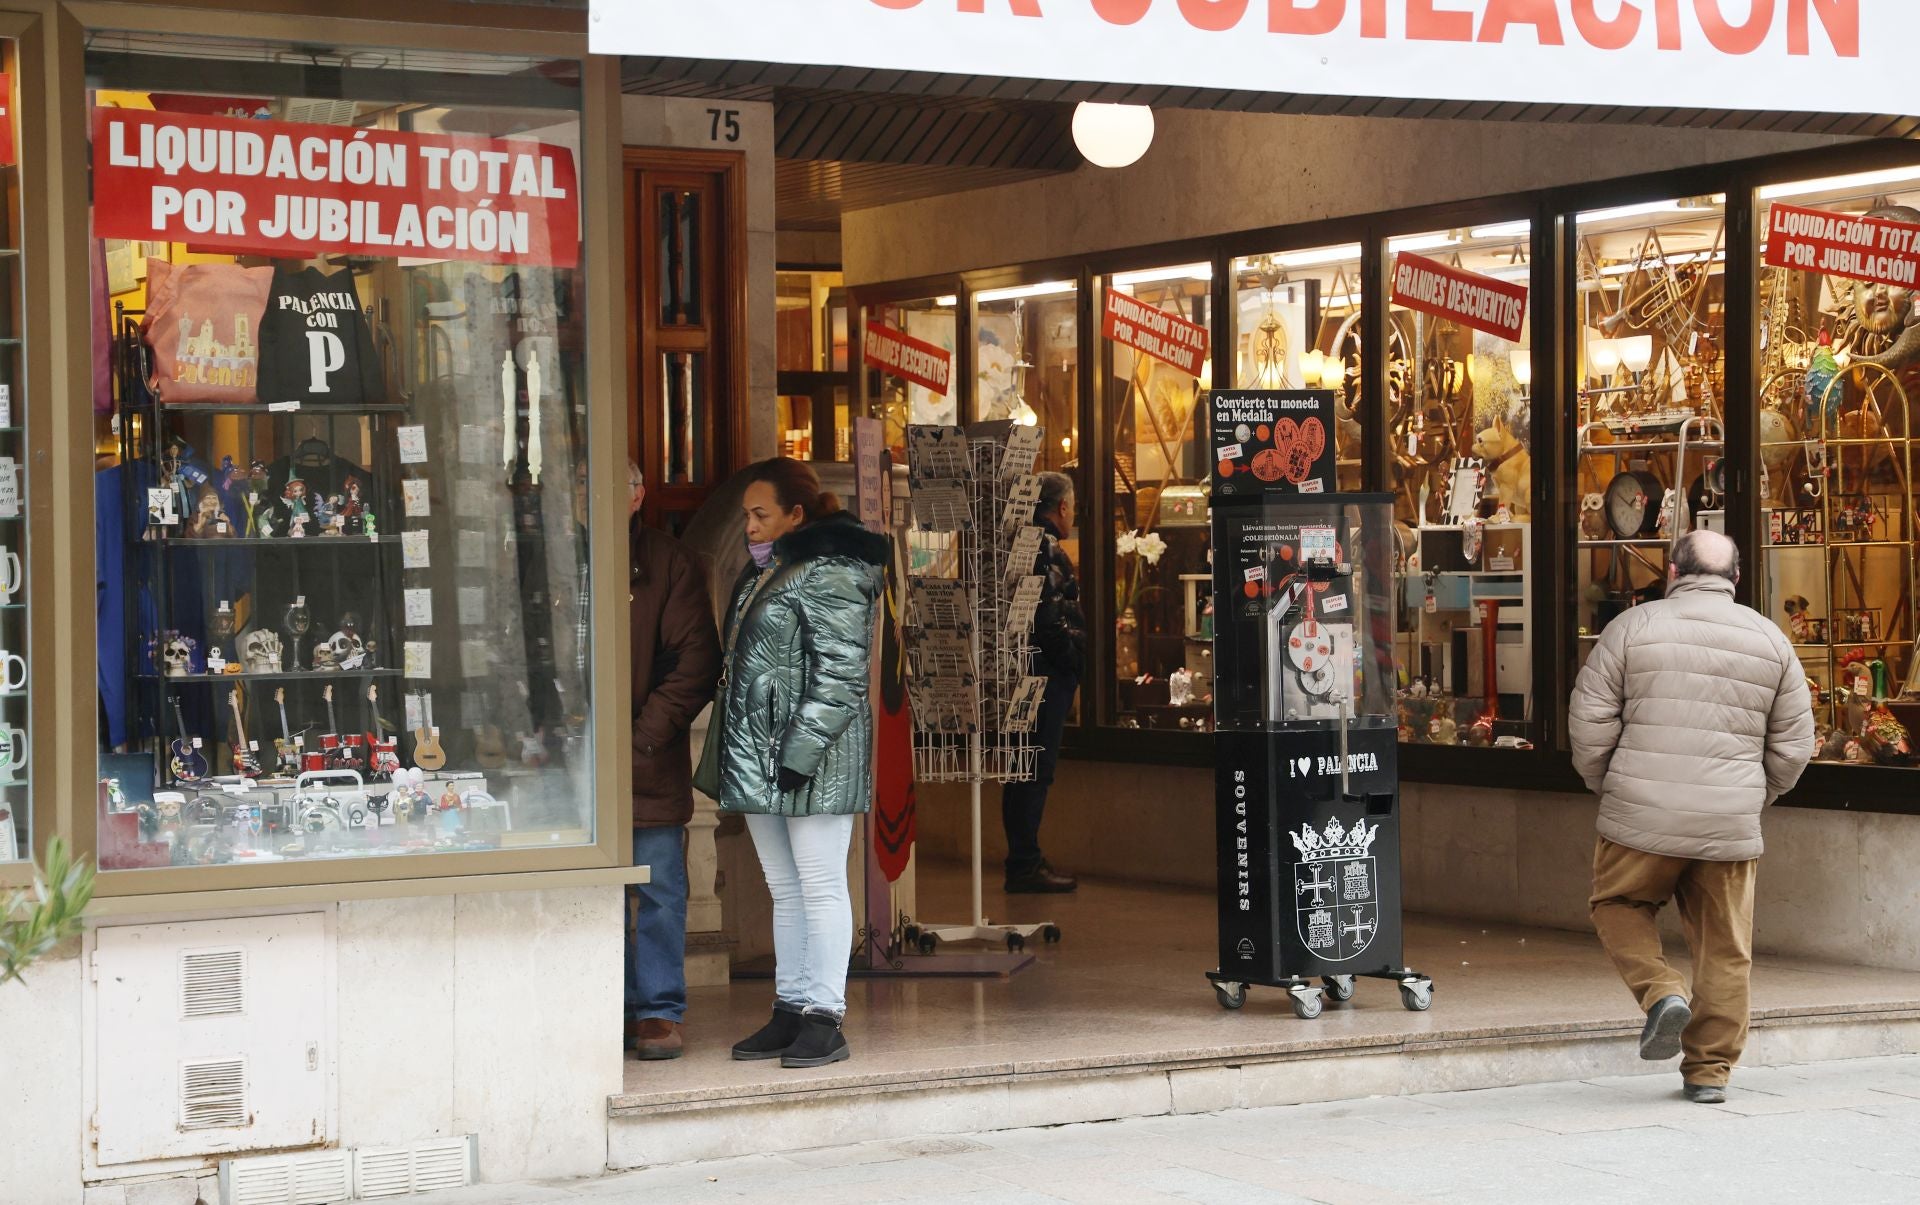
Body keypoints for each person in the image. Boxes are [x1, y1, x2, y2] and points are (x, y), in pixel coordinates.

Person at [1568, 530, 1814, 1104]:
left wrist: (1610, 785)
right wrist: (1755, 795)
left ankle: (1661, 994)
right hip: (1730, 822)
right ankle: (1709, 1072)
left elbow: (1589, 724)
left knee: (1618, 905)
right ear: (1736, 580)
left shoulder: (1631, 627)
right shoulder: (1771, 639)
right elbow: (1795, 745)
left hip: (1640, 814)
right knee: (1725, 948)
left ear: (1672, 574)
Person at [717, 458, 888, 1069]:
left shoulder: (833, 571)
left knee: (818, 887)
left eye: (762, 515)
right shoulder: (771, 571)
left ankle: (825, 1016)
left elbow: (841, 676)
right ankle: (790, 1009)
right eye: (746, 517)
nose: (751, 527)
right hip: (765, 755)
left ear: (796, 514)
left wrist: (799, 755)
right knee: (784, 890)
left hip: (814, 758)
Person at [621, 460, 721, 1061]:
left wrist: (639, 739)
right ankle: (602, 1001)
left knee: (658, 888)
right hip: (574, 758)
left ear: (636, 497)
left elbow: (694, 666)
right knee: (589, 891)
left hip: (645, 760)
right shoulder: (555, 556)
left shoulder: (671, 562)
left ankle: (656, 1010)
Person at [1002, 471, 1085, 894]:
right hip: (1046, 676)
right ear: (1062, 507)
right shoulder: (1048, 549)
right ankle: (1025, 861)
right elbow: (1052, 619)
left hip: (1021, 671)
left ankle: (1024, 857)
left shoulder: (1020, 544)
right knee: (1035, 769)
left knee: (1021, 768)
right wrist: (1071, 664)